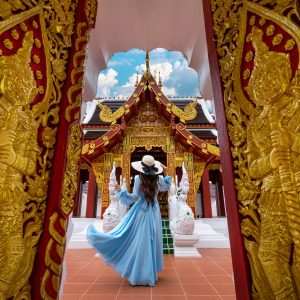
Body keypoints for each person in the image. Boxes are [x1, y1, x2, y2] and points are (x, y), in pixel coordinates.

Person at [87, 155, 171, 286]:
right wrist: (165, 171)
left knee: (139, 241)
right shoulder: (159, 179)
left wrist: (122, 192)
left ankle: (140, 274)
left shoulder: (138, 178)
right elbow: (166, 186)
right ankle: (149, 274)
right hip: (154, 212)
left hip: (141, 212)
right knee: (151, 240)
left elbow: (134, 198)